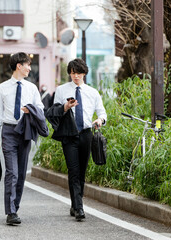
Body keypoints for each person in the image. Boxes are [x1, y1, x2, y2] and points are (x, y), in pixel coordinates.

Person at [46, 58, 107, 221]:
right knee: (73, 171)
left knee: (81, 172)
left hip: (86, 134)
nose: (75, 76)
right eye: (72, 73)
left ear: (84, 73)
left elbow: (102, 113)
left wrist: (99, 120)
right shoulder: (62, 90)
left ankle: (74, 205)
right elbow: (53, 111)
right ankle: (79, 208)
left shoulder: (92, 92)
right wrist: (66, 107)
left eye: (78, 73)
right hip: (69, 134)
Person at [0, 52, 44, 225]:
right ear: (19, 66)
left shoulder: (32, 88)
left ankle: (15, 206)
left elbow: (40, 107)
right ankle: (10, 212)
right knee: (11, 172)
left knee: (21, 173)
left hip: (25, 130)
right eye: (27, 65)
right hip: (8, 131)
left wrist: (32, 110)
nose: (30, 68)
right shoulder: (2, 88)